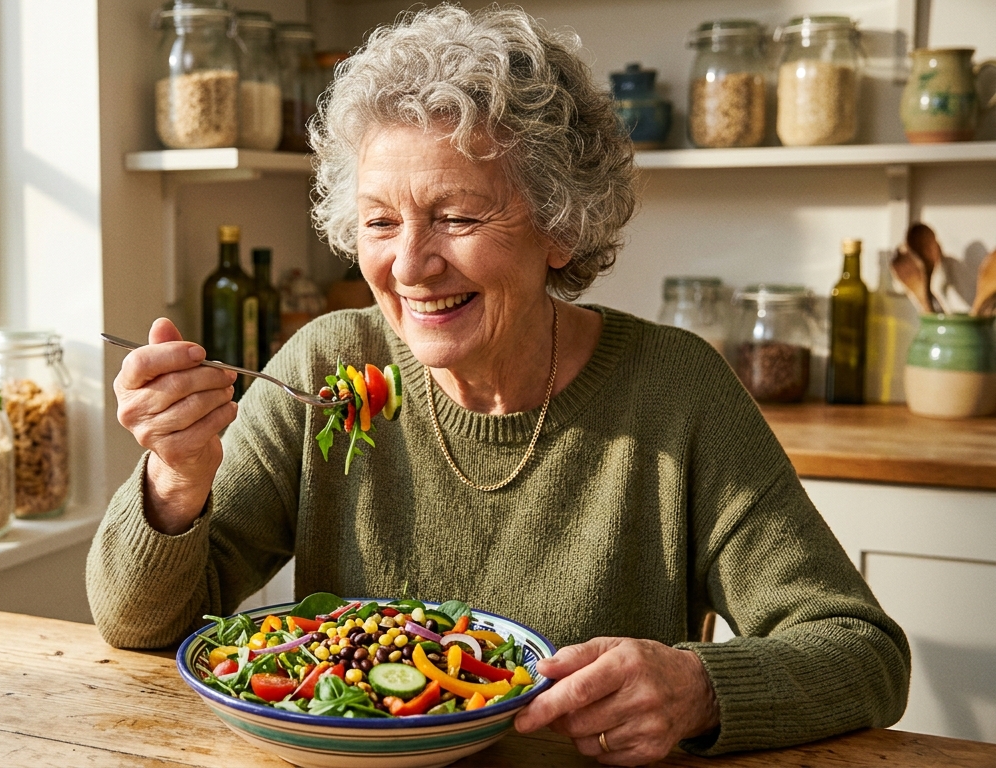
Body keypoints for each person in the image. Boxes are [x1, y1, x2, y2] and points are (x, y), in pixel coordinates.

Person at [87, 6, 908, 765]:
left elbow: (863, 652)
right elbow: (138, 623)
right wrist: (176, 479)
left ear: (559, 225)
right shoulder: (328, 368)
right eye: (380, 221)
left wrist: (699, 689)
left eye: (456, 217)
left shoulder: (676, 391)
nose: (410, 266)